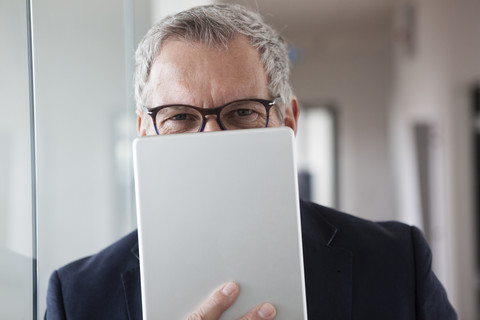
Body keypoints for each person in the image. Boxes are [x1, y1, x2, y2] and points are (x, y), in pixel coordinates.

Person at [45, 4, 457, 320]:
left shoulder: (395, 262)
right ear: (145, 131)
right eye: (180, 117)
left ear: (289, 121)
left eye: (242, 112)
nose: (211, 138)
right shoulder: (78, 296)